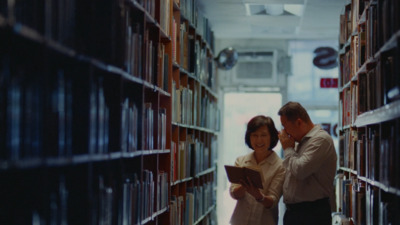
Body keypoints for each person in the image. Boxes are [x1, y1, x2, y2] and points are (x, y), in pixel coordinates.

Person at [277, 101, 337, 225]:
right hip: (295, 213)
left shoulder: (321, 140)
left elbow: (300, 170)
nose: (284, 132)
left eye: (285, 126)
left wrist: (288, 149)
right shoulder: (301, 142)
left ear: (299, 122)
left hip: (312, 214)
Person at [229, 115, 286, 225]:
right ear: (249, 137)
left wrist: (258, 196)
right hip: (239, 221)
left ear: (272, 137)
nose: (259, 140)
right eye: (254, 135)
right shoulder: (240, 161)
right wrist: (244, 186)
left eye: (263, 135)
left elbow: (273, 201)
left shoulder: (280, 166)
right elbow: (234, 194)